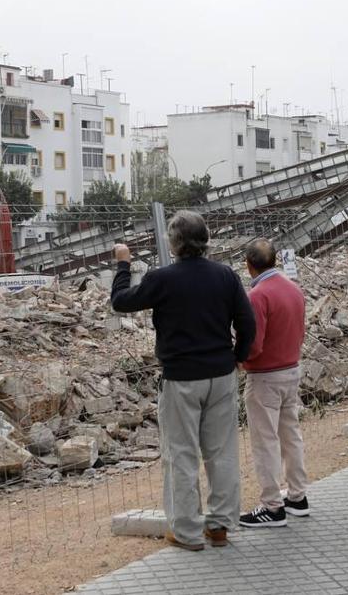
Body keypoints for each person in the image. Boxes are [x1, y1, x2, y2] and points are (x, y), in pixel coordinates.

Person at [110, 210, 255, 551]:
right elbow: (247, 322)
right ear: (206, 240)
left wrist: (123, 265)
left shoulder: (162, 279)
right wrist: (237, 357)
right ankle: (219, 526)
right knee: (222, 453)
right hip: (220, 375)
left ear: (173, 244)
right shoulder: (225, 276)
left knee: (181, 455)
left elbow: (120, 303)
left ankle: (188, 531)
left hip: (180, 379)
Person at [237, 239, 309, 528]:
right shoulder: (293, 288)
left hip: (265, 375)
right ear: (276, 260)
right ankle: (297, 496)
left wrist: (241, 361)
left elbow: (254, 343)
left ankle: (272, 506)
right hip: (291, 369)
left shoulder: (257, 295)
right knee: (290, 434)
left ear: (248, 264)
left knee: (265, 440)